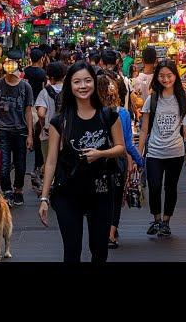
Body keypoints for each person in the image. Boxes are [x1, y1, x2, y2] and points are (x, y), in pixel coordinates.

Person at [38, 61, 125, 262]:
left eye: (87, 81)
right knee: (72, 249)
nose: (83, 86)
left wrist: (101, 154)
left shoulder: (108, 115)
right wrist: (44, 198)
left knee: (100, 249)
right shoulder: (60, 120)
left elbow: (120, 148)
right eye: (77, 82)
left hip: (101, 191)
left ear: (94, 83)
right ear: (70, 86)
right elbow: (51, 161)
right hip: (67, 191)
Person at [138, 59, 186, 237]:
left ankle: (166, 221)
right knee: (154, 186)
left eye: (169, 75)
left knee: (171, 187)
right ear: (156, 77)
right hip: (154, 151)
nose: (166, 79)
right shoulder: (152, 100)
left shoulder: (184, 99)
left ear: (175, 76)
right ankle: (157, 219)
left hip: (176, 151)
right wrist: (139, 152)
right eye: (162, 76)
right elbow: (144, 129)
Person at [97, 72, 144, 249]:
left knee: (101, 199)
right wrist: (140, 162)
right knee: (116, 199)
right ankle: (111, 233)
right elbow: (127, 144)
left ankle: (102, 230)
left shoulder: (91, 112)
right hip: (117, 162)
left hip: (97, 162)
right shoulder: (121, 113)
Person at [0, 56, 35, 207]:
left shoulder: (25, 87)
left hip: (20, 130)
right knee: (4, 164)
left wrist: (30, 134)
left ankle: (18, 190)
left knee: (20, 164)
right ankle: (7, 191)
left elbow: (28, 111)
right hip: (3, 130)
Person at [34, 61, 67, 190]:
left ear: (50, 77)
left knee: (49, 161)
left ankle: (49, 187)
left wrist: (44, 125)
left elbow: (41, 113)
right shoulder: (70, 91)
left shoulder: (45, 92)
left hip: (48, 133)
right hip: (67, 133)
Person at [24, 48, 47, 184]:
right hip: (38, 106)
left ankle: (29, 140)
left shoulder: (25, 72)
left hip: (27, 105)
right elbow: (44, 89)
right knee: (38, 132)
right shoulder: (42, 73)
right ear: (41, 58)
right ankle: (37, 166)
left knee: (29, 128)